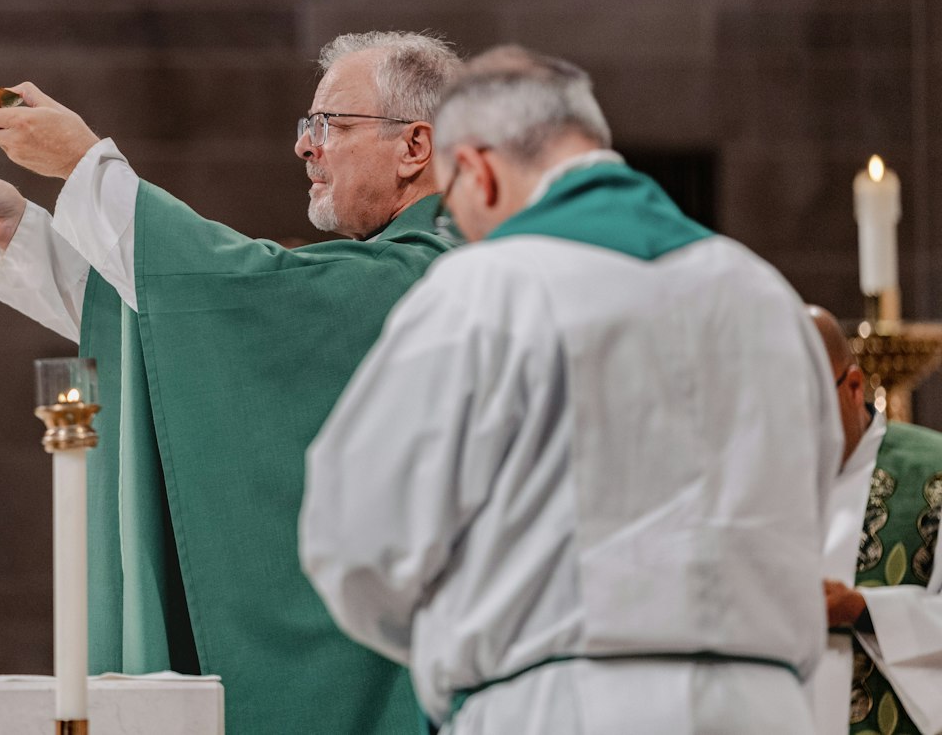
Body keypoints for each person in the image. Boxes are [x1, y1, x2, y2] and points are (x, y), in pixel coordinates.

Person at [0, 32, 462, 735]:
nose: (305, 145)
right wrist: (21, 232)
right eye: (307, 125)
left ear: (416, 145)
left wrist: (86, 166)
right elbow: (178, 319)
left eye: (330, 124)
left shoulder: (435, 271)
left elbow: (238, 296)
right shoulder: (404, 268)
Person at [301, 46, 841, 734]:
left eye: (456, 209)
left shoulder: (485, 289)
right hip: (764, 706)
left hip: (560, 700)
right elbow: (813, 495)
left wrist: (468, 631)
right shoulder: (764, 292)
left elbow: (352, 537)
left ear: (477, 170)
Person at [808, 305, 942, 735]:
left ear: (852, 386)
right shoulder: (753, 477)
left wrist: (863, 609)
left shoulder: (934, 469)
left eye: (810, 408)